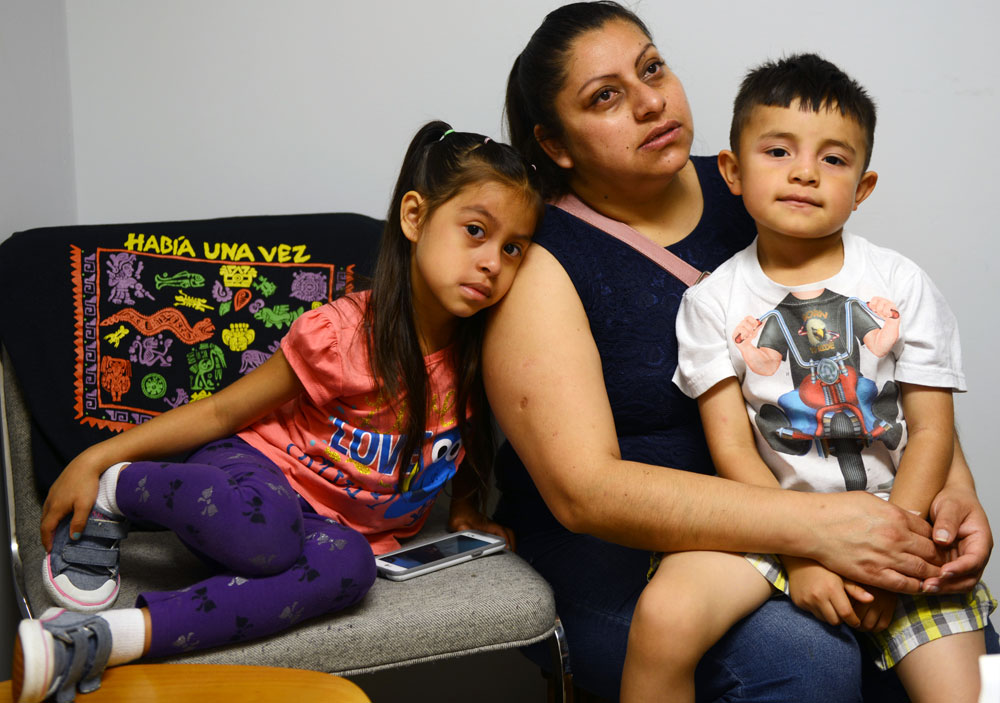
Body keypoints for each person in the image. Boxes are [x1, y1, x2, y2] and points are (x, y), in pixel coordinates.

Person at [484, 2, 998, 700]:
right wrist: (819, 535)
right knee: (809, 656)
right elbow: (585, 492)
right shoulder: (545, 262)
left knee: (970, 645)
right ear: (556, 143)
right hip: (637, 548)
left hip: (832, 503)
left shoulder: (771, 178)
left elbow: (886, 360)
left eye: (652, 69)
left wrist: (953, 489)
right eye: (605, 97)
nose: (650, 102)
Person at [13, 120, 542, 703]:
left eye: (512, 247)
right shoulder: (343, 335)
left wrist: (465, 508)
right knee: (266, 531)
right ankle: (122, 489)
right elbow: (222, 412)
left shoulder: (485, 349)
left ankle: (101, 639)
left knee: (353, 570)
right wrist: (95, 459)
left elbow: (461, 434)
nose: (493, 262)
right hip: (254, 473)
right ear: (415, 217)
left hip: (336, 529)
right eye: (475, 231)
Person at [622, 53, 996, 703]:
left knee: (969, 691)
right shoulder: (712, 302)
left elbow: (933, 431)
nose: (804, 172)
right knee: (666, 615)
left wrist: (891, 549)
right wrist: (799, 554)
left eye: (833, 158)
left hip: (897, 512)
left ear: (863, 186)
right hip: (770, 521)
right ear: (733, 171)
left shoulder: (901, 282)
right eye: (778, 151)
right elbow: (733, 449)